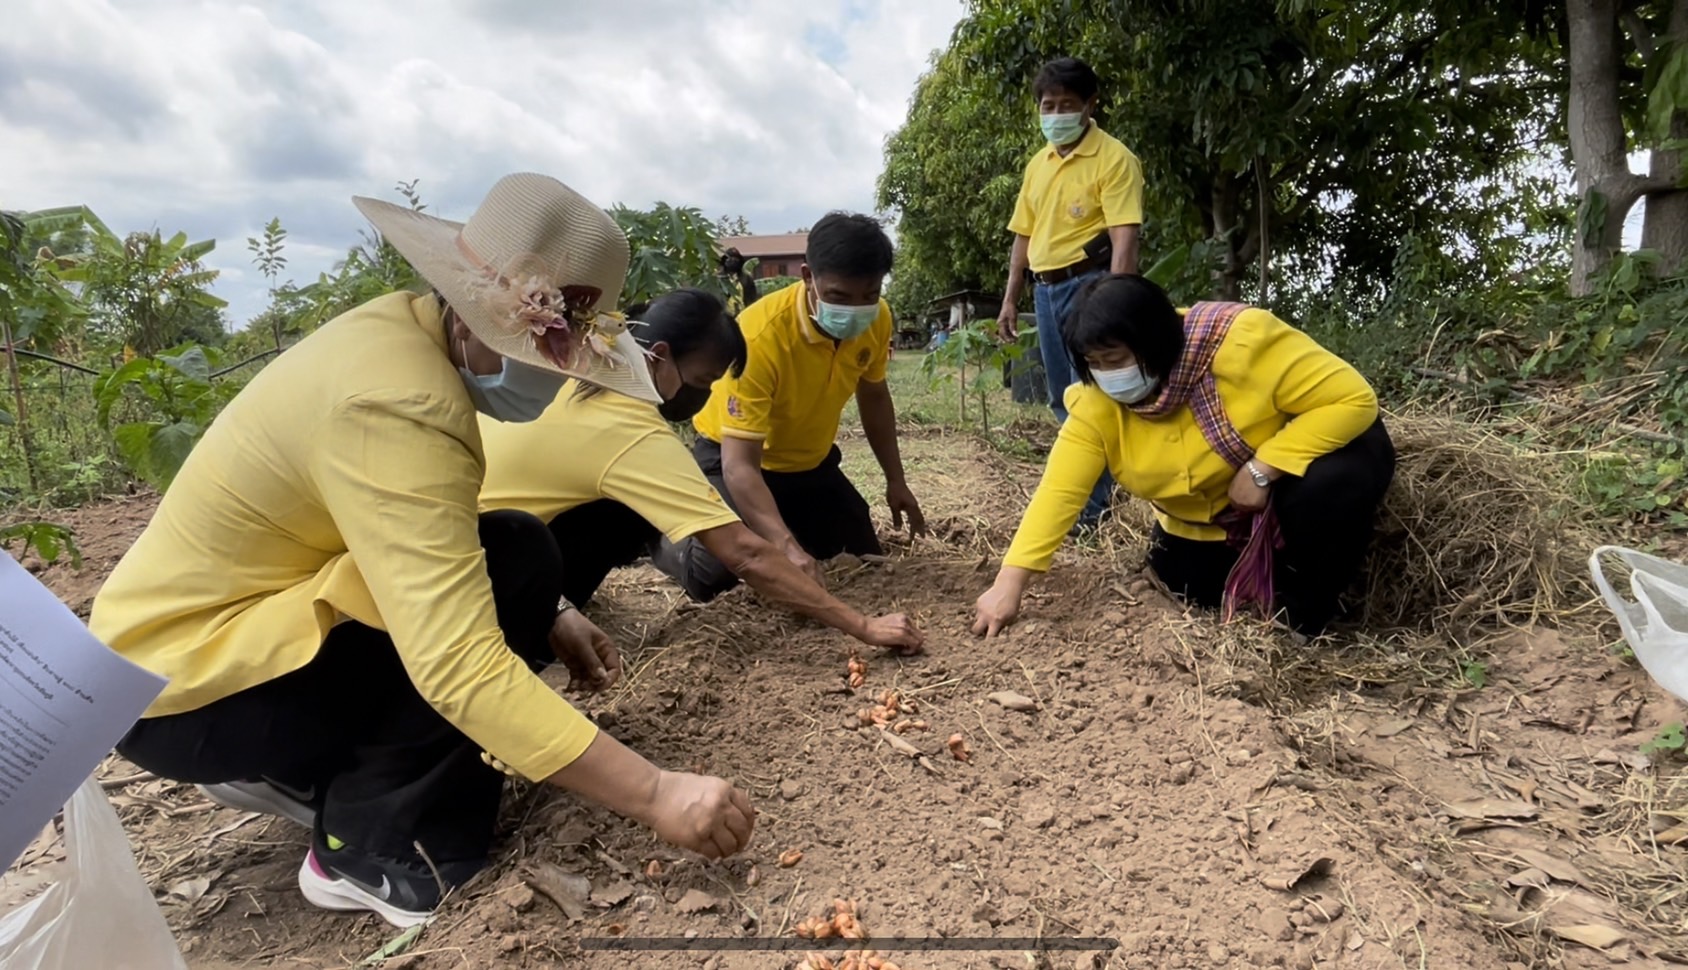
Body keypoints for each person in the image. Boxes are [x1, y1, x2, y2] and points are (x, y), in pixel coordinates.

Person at [90, 174, 755, 930]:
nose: (550, 378)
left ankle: (319, 772)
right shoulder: (397, 402)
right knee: (508, 573)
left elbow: (426, 528)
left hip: (198, 652)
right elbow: (457, 663)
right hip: (188, 691)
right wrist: (656, 793)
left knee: (516, 552)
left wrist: (556, 610)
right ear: (470, 317)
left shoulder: (396, 334)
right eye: (535, 353)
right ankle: (360, 846)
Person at [477, 288, 924, 652]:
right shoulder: (630, 428)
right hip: (486, 570)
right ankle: (533, 632)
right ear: (660, 354)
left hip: (468, 530)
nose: (704, 396)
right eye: (704, 381)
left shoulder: (577, 360)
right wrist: (863, 625)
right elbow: (744, 554)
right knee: (628, 515)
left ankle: (555, 606)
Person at [973, 275, 1396, 639]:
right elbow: (1060, 492)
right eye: (1093, 362)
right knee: (1190, 591)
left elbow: (1353, 400)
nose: (1107, 373)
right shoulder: (1096, 405)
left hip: (1285, 492)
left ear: (1155, 342)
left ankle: (1308, 616)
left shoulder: (1241, 344)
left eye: (1115, 359)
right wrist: (1010, 582)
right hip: (1204, 524)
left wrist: (1265, 466)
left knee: (1338, 481)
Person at [652, 212, 926, 602]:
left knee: (861, 553)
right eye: (838, 297)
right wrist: (786, 546)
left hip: (808, 465)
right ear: (807, 276)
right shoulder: (760, 338)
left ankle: (783, 521)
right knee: (712, 577)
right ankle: (662, 540)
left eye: (869, 295)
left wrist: (896, 480)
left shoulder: (877, 319)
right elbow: (739, 465)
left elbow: (874, 395)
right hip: (735, 460)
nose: (855, 311)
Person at [996, 56, 1146, 533]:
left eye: (1066, 104)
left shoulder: (1115, 159)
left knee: (1100, 396)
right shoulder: (1037, 165)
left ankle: (1100, 509)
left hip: (1091, 285)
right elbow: (1023, 236)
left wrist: (1115, 303)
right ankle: (1089, 500)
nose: (1055, 113)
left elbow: (1124, 236)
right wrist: (1010, 298)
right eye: (1048, 104)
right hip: (1045, 291)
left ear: (1089, 105)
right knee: (1066, 401)